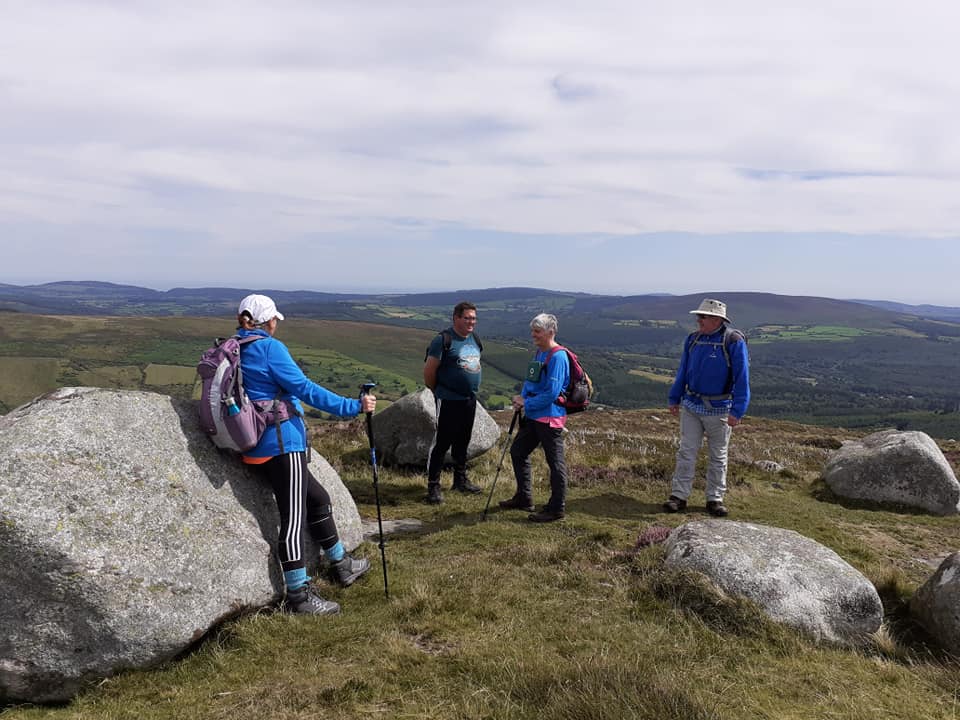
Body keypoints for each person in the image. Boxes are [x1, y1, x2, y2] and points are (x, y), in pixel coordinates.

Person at [235, 293, 377, 615]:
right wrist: (353, 406)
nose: (276, 324)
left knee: (318, 498)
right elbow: (306, 389)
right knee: (293, 519)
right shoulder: (269, 348)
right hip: (282, 444)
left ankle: (341, 563)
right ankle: (298, 596)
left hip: (255, 443)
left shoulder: (237, 347)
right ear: (268, 321)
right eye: (275, 319)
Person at [663, 298, 750, 518]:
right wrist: (674, 397)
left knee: (718, 456)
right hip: (691, 405)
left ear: (717, 319)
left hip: (720, 409)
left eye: (703, 316)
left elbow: (742, 378)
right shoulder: (693, 339)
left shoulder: (733, 341)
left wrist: (737, 410)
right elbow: (683, 370)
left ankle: (715, 499)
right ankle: (678, 496)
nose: (698, 320)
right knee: (686, 451)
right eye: (699, 316)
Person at [499, 313, 570, 523]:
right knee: (518, 451)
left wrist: (526, 403)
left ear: (551, 332)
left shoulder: (558, 357)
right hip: (534, 417)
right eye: (533, 331)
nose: (533, 335)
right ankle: (524, 498)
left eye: (537, 331)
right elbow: (531, 381)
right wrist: (521, 398)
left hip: (550, 419)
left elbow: (552, 393)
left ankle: (556, 508)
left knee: (555, 463)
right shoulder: (540, 353)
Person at [423, 301, 483, 504]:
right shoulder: (443, 340)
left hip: (469, 399)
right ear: (456, 318)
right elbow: (429, 372)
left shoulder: (474, 339)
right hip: (448, 399)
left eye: (473, 318)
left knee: (463, 441)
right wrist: (439, 392)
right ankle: (433, 486)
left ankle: (460, 480)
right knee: (442, 443)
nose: (471, 322)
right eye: (467, 318)